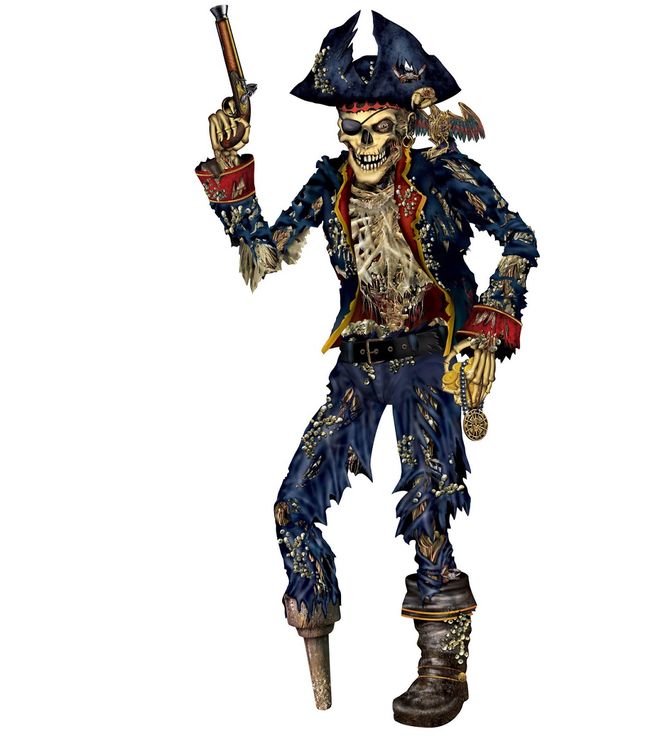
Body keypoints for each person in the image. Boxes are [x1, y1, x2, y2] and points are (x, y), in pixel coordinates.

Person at [195, 11, 538, 728]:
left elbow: (518, 237)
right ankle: (317, 645)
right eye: (351, 132)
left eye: (378, 129)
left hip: (428, 363)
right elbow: (263, 251)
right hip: (357, 368)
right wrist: (230, 168)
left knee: (428, 509)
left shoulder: (442, 174)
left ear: (405, 126)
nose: (364, 146)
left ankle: (443, 666)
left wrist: (486, 332)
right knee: (293, 505)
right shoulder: (331, 186)